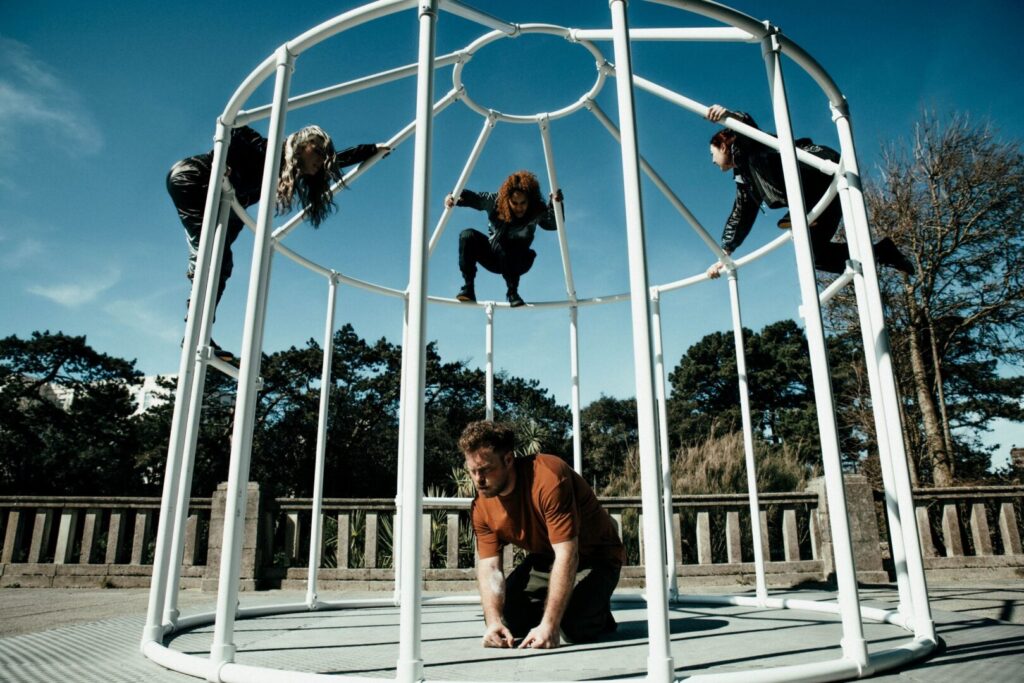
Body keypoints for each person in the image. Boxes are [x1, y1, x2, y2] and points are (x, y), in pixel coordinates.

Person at [167, 125, 387, 359]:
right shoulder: (269, 150)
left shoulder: (291, 170)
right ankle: (196, 329)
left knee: (222, 263)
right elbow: (235, 126)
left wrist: (372, 150)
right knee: (214, 254)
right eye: (320, 153)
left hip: (230, 199)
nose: (322, 161)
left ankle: (199, 326)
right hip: (195, 177)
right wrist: (225, 158)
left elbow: (338, 160)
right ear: (304, 146)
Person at [459, 420, 624, 649]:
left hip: (597, 556)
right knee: (506, 617)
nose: (478, 479)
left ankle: (595, 612)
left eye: (485, 469)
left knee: (571, 627)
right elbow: (489, 567)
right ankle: (562, 605)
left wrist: (549, 625)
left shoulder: (548, 478)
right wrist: (494, 622)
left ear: (508, 460)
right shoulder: (481, 505)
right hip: (546, 558)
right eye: (472, 471)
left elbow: (568, 554)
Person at [704, 104, 914, 279]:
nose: (712, 160)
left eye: (712, 153)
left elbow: (747, 127)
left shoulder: (749, 146)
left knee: (766, 172)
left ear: (723, 146)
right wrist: (723, 256)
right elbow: (741, 215)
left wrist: (729, 116)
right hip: (822, 198)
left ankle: (800, 213)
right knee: (814, 256)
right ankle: (882, 253)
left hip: (817, 171)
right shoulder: (745, 180)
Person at [446, 171, 563, 307]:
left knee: (507, 245)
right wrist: (452, 196)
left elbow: (554, 224)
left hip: (520, 260)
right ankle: (468, 288)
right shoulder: (495, 202)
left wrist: (556, 204)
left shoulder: (535, 209)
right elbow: (471, 197)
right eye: (515, 203)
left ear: (529, 200)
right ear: (507, 199)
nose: (519, 208)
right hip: (494, 257)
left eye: (523, 203)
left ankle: (513, 292)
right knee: (467, 235)